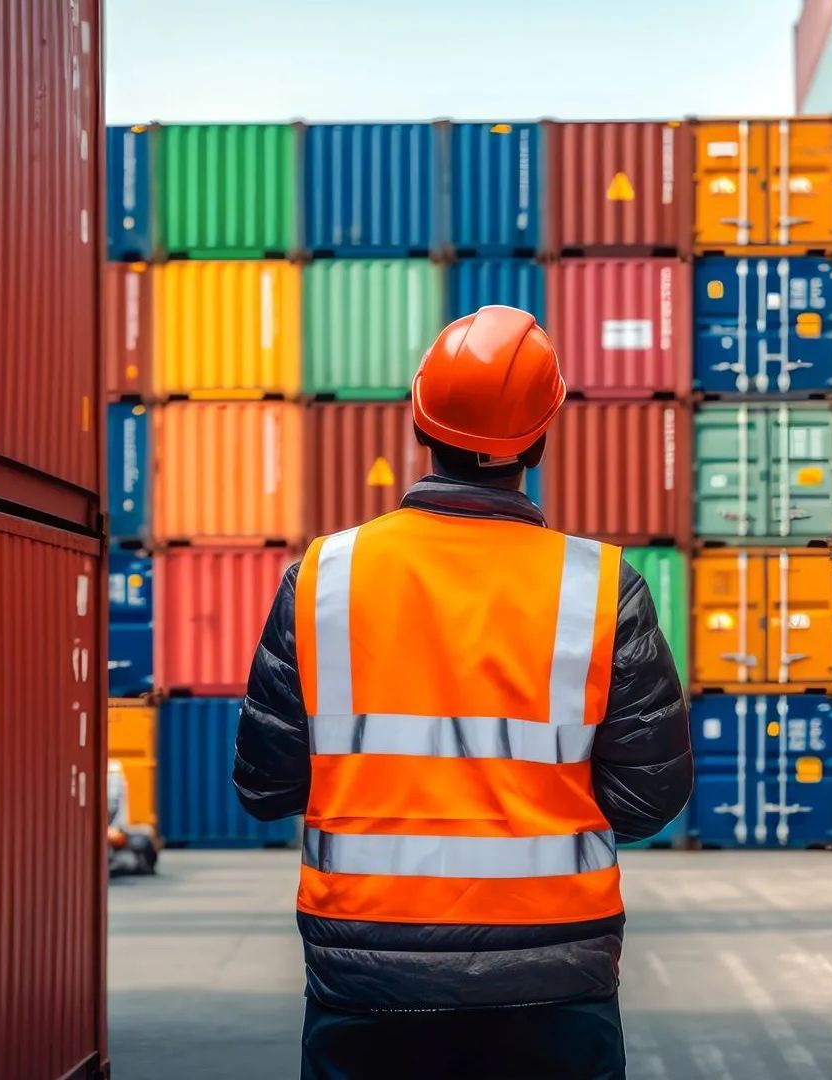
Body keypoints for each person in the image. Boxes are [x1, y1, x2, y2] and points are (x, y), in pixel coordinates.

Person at [234, 305, 693, 1080]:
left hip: (367, 978)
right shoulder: (602, 587)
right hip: (555, 982)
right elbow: (651, 799)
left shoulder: (323, 580)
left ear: (421, 423)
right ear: (540, 440)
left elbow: (264, 784)